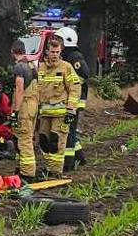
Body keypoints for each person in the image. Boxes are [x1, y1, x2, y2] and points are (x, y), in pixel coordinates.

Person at [21, 34, 81, 180]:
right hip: (44, 113)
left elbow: (75, 88)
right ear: (47, 51)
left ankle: (56, 171)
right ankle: (49, 168)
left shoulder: (66, 67)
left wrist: (71, 110)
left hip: (61, 113)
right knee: (44, 141)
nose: (54, 55)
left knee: (57, 141)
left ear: (61, 51)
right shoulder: (40, 68)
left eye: (57, 52)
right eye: (52, 52)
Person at [54, 27, 90, 171]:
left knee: (67, 131)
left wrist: (70, 85)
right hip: (70, 100)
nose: (57, 44)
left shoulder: (74, 56)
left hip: (73, 101)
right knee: (70, 130)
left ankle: (68, 163)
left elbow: (84, 74)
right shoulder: (67, 56)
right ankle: (80, 157)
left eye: (60, 41)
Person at [10, 39, 39, 177]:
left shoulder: (19, 68)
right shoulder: (32, 66)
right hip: (33, 107)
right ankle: (24, 168)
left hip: (24, 108)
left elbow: (19, 90)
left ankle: (27, 173)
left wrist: (15, 112)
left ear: (13, 52)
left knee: (23, 140)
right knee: (28, 137)